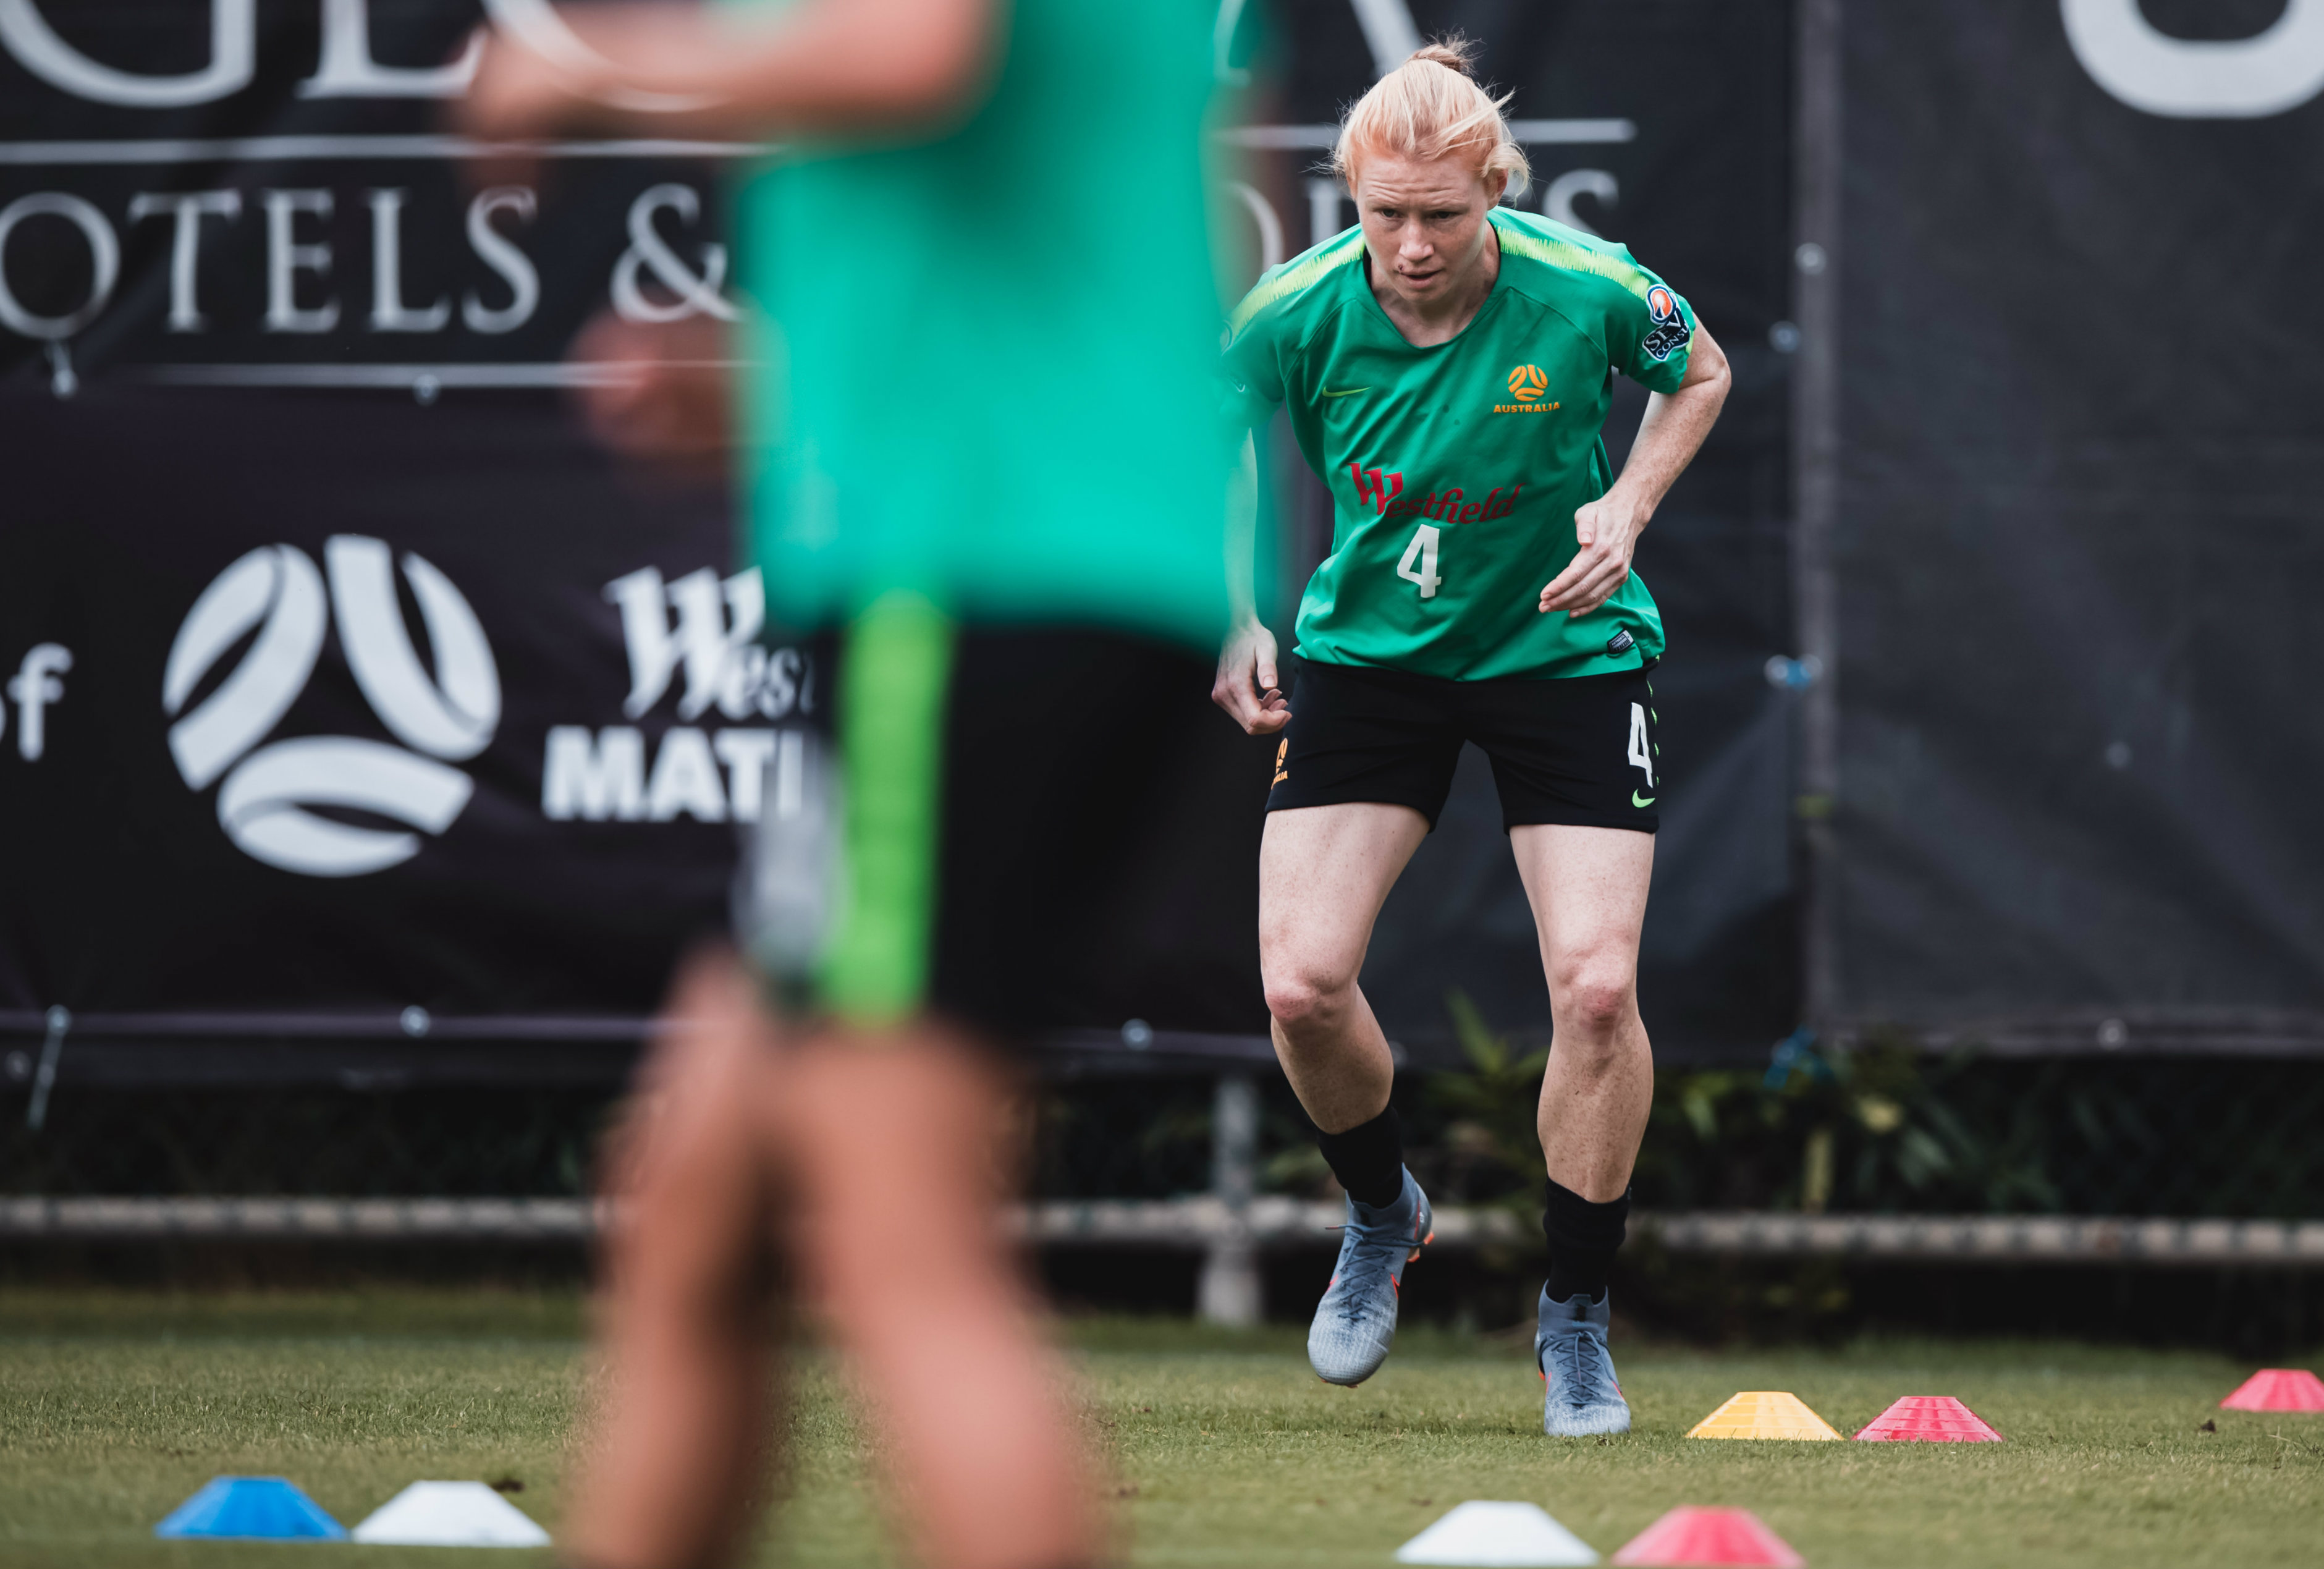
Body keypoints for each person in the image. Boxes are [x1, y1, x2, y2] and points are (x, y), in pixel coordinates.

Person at [462, 1, 1235, 1565]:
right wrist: (788, 390)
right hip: (1043, 557)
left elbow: (907, 60)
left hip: (967, 582)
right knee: (698, 1206)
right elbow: (1111, 236)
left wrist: (585, 67)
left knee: (889, 1230)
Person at [1213, 40, 1730, 1437]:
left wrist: (1624, 509)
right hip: (1369, 662)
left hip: (1562, 652)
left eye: (1444, 214)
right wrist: (1239, 611)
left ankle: (1573, 1319)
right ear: (1351, 198)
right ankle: (1385, 1214)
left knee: (1599, 990)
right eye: (1385, 214)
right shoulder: (1296, 309)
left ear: (1496, 192)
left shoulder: (1585, 286)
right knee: (1304, 987)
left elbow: (1701, 374)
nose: (1414, 244)